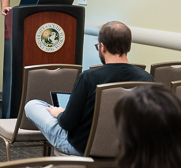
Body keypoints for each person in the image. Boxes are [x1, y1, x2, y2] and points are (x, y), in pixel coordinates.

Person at [24, 21, 153, 155]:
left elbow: (68, 124)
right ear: (128, 47)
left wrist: (60, 114)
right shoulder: (147, 79)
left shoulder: (88, 77)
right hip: (129, 149)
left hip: (85, 148)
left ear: (102, 47)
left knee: (32, 105)